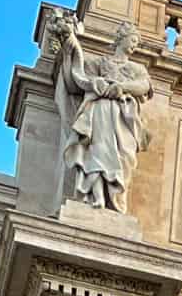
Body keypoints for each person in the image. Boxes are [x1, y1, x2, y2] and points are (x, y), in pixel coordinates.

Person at [50, 12, 150, 211]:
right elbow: (76, 78)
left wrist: (122, 87)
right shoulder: (100, 63)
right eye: (132, 40)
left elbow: (144, 85)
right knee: (97, 153)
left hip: (123, 117)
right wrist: (70, 46)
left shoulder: (137, 68)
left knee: (124, 159)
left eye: (136, 42)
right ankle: (96, 198)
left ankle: (115, 199)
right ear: (121, 39)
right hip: (100, 112)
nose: (134, 45)